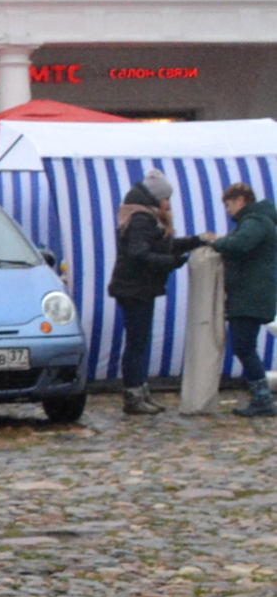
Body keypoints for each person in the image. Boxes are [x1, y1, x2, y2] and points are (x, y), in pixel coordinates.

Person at [106, 171, 200, 417]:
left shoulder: (144, 217)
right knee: (136, 344)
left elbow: (164, 245)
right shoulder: (142, 219)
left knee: (140, 342)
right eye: (166, 198)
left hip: (138, 288)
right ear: (155, 197)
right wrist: (171, 262)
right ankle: (133, 396)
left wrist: (195, 241)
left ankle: (140, 391)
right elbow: (139, 253)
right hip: (134, 289)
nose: (168, 203)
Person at [209, 180, 277, 418]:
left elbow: (239, 245)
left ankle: (263, 399)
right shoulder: (259, 220)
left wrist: (216, 242)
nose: (228, 211)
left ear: (240, 200)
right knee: (244, 346)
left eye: (228, 205)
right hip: (251, 295)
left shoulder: (255, 221)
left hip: (250, 297)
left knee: (244, 346)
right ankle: (261, 397)